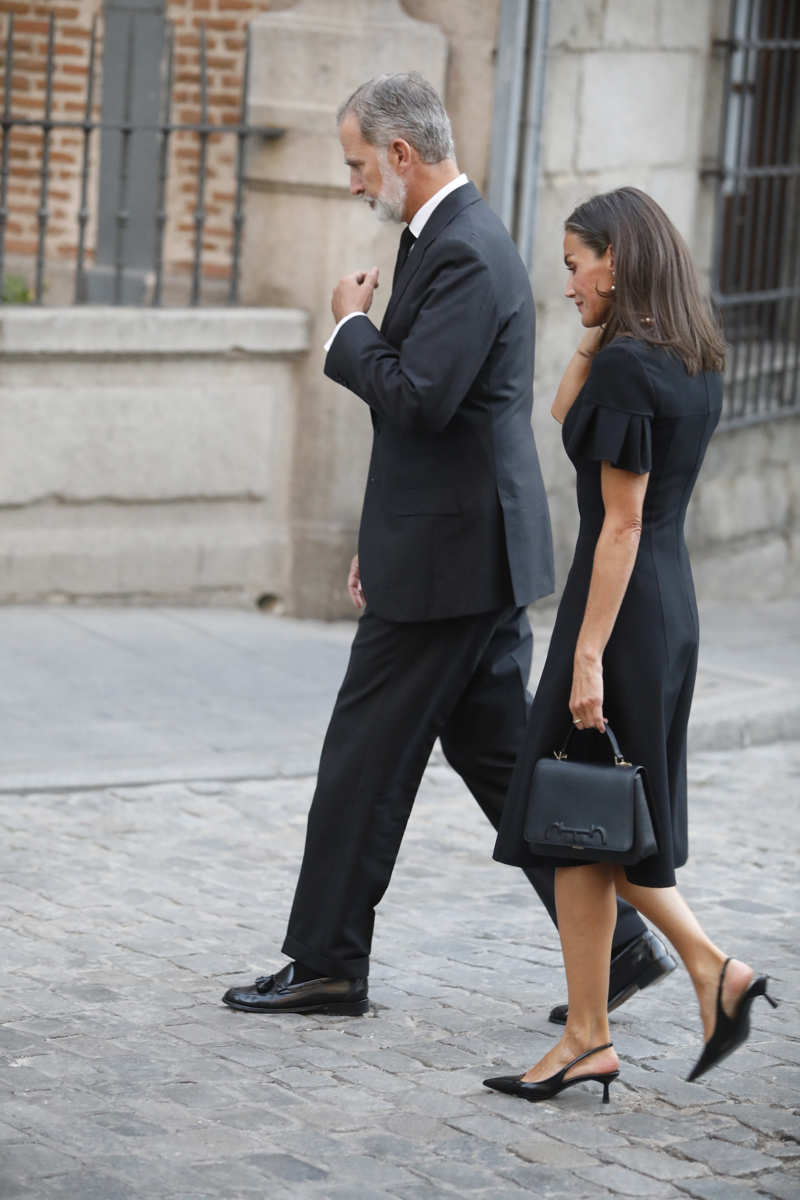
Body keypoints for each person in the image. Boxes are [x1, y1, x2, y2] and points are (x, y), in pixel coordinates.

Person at [222, 76, 673, 1019]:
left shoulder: (467, 250)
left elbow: (419, 396)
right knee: (505, 761)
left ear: (399, 154)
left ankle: (328, 963)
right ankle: (623, 946)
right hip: (452, 551)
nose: (350, 183)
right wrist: (371, 536)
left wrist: (346, 328)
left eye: (354, 162)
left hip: (453, 567)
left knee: (362, 761)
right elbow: (435, 424)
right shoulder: (441, 238)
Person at [485, 186, 778, 1104]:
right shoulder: (688, 357)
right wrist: (595, 328)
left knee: (596, 817)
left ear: (619, 258)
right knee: (581, 831)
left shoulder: (630, 372)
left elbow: (618, 523)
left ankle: (707, 970)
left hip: (619, 614)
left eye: (578, 266)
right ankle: (589, 1036)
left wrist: (583, 656)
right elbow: (562, 416)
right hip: (663, 604)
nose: (567, 284)